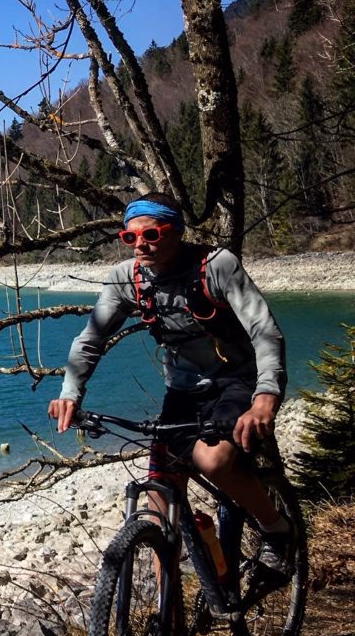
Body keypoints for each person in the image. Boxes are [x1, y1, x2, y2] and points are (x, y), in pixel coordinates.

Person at [47, 192, 293, 580]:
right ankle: (169, 625)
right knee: (160, 499)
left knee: (213, 461)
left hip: (237, 380)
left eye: (152, 234)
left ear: (176, 231)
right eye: (130, 238)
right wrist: (70, 393)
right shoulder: (127, 278)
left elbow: (265, 332)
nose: (140, 244)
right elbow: (90, 339)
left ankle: (277, 531)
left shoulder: (216, 266)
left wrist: (265, 397)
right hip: (182, 392)